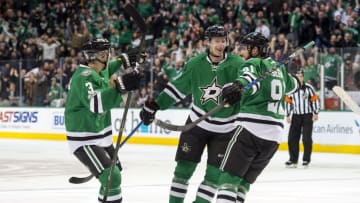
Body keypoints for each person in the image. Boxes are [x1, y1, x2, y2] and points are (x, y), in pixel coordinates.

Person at [139, 25, 244, 203]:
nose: (220, 44)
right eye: (216, 41)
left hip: (226, 130)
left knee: (213, 176)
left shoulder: (238, 64)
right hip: (196, 125)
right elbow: (176, 89)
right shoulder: (195, 64)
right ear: (208, 42)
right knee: (182, 171)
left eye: (223, 41)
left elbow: (249, 87)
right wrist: (155, 105)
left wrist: (240, 89)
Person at [215, 32, 299, 203]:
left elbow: (249, 79)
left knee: (228, 181)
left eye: (244, 48)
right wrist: (300, 79)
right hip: (273, 137)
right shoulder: (279, 68)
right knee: (243, 184)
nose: (240, 52)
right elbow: (293, 85)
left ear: (255, 50)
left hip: (250, 130)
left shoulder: (253, 63)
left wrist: (237, 86)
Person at [64, 38, 143, 203]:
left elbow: (110, 67)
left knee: (114, 175)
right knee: (111, 177)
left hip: (100, 134)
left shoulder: (100, 69)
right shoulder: (83, 77)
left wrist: (124, 59)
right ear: (100, 55)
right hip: (84, 138)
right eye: (106, 53)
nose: (109, 56)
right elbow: (96, 103)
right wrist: (121, 85)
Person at [285, 69, 320, 168]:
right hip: (296, 116)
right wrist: (288, 114)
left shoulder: (309, 88)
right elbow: (288, 101)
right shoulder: (291, 88)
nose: (298, 77)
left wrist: (315, 112)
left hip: (307, 116)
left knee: (306, 138)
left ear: (303, 77)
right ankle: (293, 160)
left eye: (300, 75)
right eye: (296, 75)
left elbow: (314, 100)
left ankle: (306, 160)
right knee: (292, 138)